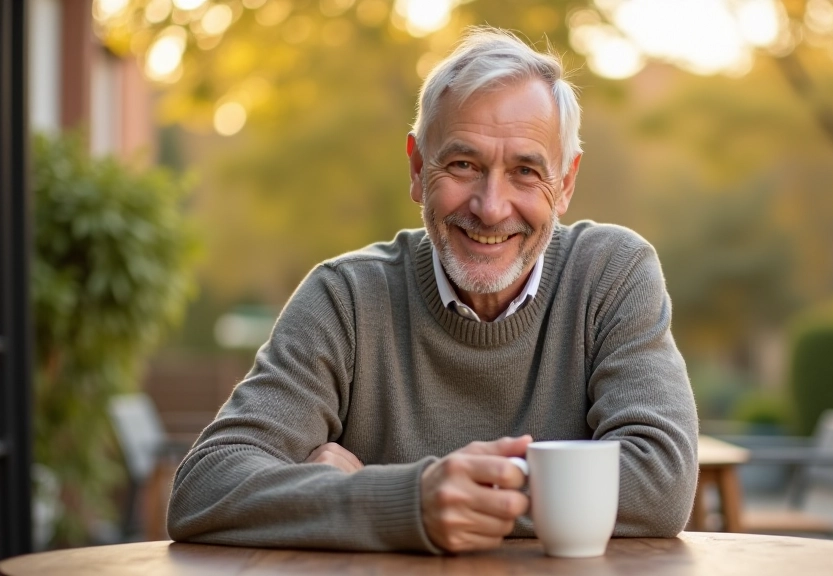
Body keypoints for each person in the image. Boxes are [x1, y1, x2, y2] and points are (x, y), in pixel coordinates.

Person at [167, 26, 698, 554]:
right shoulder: (345, 299)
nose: (491, 207)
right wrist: (407, 502)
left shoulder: (612, 274)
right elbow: (205, 486)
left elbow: (662, 482)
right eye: (464, 165)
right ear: (419, 169)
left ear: (565, 183)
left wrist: (373, 489)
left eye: (525, 171)